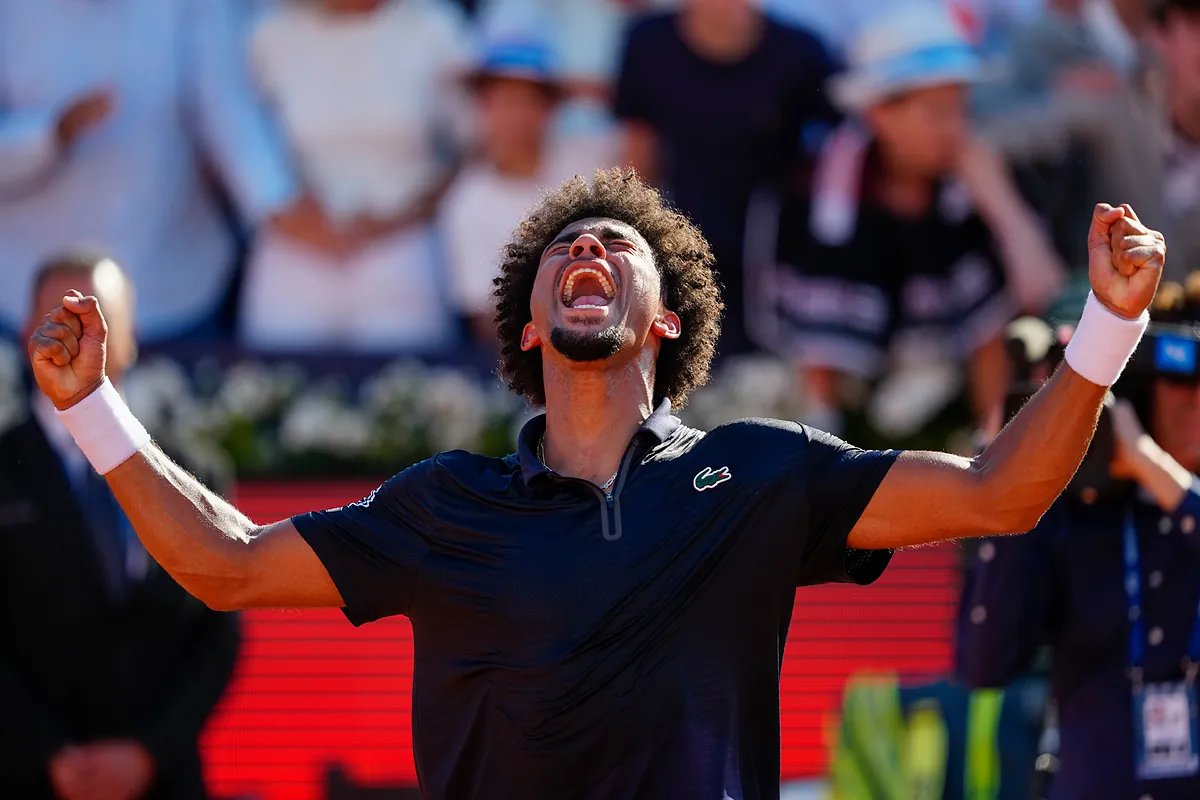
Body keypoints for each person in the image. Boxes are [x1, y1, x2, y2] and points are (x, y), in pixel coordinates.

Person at [27, 168, 1163, 798]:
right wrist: (89, 405)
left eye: (617, 245)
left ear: (663, 317)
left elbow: (1000, 494)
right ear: (529, 322)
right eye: (564, 250)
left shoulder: (760, 472)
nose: (586, 251)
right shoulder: (444, 503)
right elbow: (224, 565)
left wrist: (1109, 327)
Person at [745, 2, 1064, 441]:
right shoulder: (819, 198)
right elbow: (813, 346)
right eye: (936, 113)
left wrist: (1000, 202)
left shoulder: (970, 191)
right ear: (880, 115)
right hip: (856, 414)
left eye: (960, 110)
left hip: (948, 406)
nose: (954, 129)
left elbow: (1029, 297)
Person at [2, 253, 240, 799]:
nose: (76, 336)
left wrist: (148, 753)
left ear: (129, 336)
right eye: (58, 320)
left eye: (96, 319)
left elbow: (220, 631)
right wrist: (48, 755)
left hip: (165, 783)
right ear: (25, 334)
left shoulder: (194, 471)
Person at [957, 276, 1200, 800]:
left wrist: (1152, 467)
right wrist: (1007, 476)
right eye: (1179, 379)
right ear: (1145, 384)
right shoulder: (1081, 510)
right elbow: (984, 663)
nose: (1193, 400)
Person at [0, 0, 298, 343]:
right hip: (24, 290)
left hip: (173, 284)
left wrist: (278, 204)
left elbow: (229, 108)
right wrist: (51, 134)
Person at [238, 0, 472, 353]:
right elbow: (240, 140)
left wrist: (401, 218)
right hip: (296, 241)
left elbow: (473, 148)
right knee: (274, 379)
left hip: (403, 240)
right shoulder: (270, 33)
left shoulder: (435, 27)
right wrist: (290, 215)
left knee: (407, 379)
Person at [613, 0, 842, 357]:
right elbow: (638, 152)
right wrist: (634, 235)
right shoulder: (647, 43)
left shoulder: (802, 51)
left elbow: (841, 148)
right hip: (681, 233)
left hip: (776, 246)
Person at [441, 36, 607, 344]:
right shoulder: (466, 202)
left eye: (530, 100)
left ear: (551, 109)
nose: (517, 114)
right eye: (504, 101)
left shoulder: (592, 165)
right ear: (483, 108)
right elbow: (487, 317)